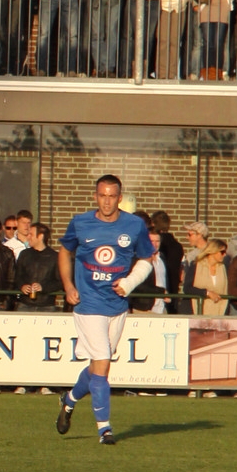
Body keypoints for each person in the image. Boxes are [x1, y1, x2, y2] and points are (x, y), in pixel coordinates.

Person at [54, 176, 155, 444]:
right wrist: (68, 286)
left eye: (112, 196)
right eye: (102, 196)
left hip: (117, 306)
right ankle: (104, 429)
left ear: (119, 198)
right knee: (102, 364)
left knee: (97, 366)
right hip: (88, 304)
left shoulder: (134, 225)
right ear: (95, 196)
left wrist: (129, 283)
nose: (106, 201)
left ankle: (69, 400)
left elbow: (147, 259)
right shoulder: (80, 222)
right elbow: (64, 252)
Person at [13, 222, 58, 305]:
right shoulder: (24, 254)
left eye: (31, 234)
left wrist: (43, 288)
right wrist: (22, 286)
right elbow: (17, 276)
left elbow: (60, 282)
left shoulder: (54, 257)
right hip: (25, 303)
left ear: (40, 237)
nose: (28, 237)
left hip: (46, 305)